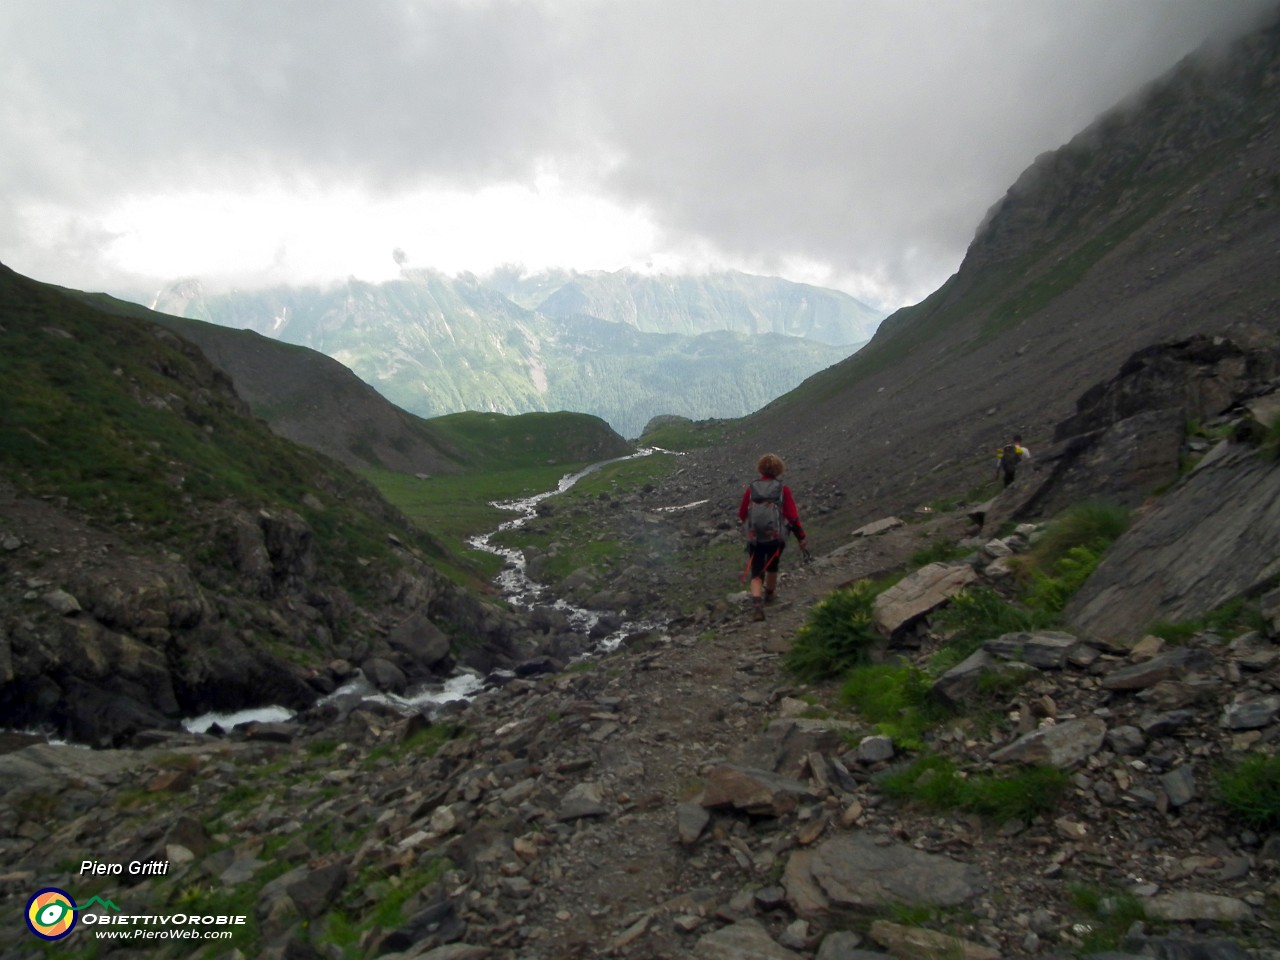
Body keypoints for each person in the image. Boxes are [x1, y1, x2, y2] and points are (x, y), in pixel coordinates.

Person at [738, 453, 808, 621]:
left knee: (756, 570)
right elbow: (792, 516)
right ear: (778, 469)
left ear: (761, 468)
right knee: (772, 565)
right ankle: (769, 595)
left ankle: (756, 604)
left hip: (755, 538)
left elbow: (742, 514)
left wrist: (752, 528)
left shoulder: (752, 488)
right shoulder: (782, 489)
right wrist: (801, 537)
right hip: (776, 537)